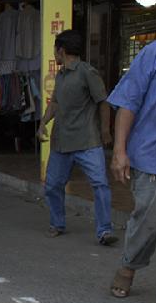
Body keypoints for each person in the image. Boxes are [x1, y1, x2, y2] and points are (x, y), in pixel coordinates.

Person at [108, 0, 156, 303]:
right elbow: (128, 103)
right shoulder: (154, 54)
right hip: (153, 155)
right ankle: (128, 266)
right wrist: (119, 150)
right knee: (148, 222)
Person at [38, 29, 116, 245]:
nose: (55, 53)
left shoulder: (87, 72)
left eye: (55, 49)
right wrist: (43, 123)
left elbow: (103, 101)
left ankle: (104, 230)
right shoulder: (61, 75)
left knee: (100, 184)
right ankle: (57, 223)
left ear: (61, 50)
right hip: (61, 142)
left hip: (87, 141)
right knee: (53, 185)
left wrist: (105, 132)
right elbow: (54, 104)